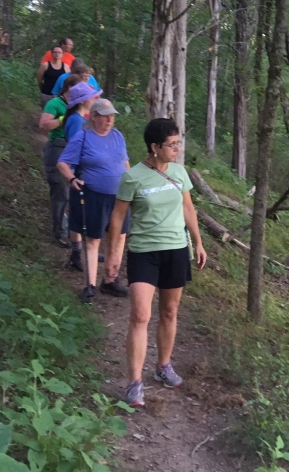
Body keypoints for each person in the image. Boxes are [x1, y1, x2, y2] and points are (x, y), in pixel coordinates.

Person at [105, 118, 206, 408]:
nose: (176, 149)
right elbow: (117, 217)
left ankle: (163, 365)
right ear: (154, 147)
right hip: (144, 252)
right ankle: (134, 383)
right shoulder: (133, 177)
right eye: (171, 144)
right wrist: (113, 254)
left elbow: (188, 208)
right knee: (140, 315)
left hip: (175, 249)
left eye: (178, 143)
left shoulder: (179, 172)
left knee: (170, 311)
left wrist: (198, 242)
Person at [57, 98, 132, 303]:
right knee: (93, 239)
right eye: (105, 116)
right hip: (93, 196)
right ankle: (89, 285)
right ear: (94, 117)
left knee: (119, 237)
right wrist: (71, 178)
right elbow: (63, 162)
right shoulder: (83, 137)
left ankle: (110, 280)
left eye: (112, 116)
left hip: (119, 198)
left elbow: (125, 162)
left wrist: (131, 184)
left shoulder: (117, 136)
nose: (109, 120)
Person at [58, 81, 101, 269]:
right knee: (79, 214)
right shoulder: (77, 121)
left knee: (80, 212)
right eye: (93, 97)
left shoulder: (80, 118)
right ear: (83, 101)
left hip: (79, 171)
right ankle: (77, 253)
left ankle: (84, 250)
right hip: (79, 172)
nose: (95, 99)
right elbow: (77, 148)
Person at [38, 78, 76, 247]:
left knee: (71, 191)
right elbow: (44, 124)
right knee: (60, 190)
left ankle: (70, 228)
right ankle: (59, 233)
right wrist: (63, 119)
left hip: (72, 149)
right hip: (57, 148)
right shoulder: (55, 104)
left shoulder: (78, 104)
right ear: (68, 88)